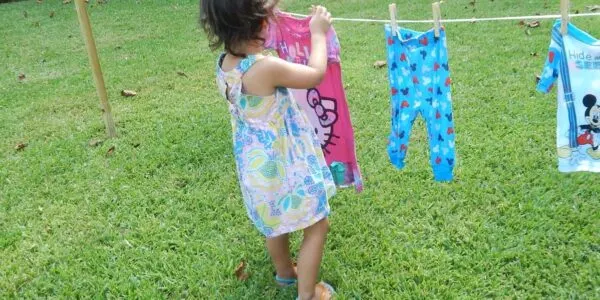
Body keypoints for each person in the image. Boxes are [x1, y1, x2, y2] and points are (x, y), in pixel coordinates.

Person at [200, 1, 336, 299]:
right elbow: (314, 74)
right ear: (260, 24)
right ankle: (308, 295)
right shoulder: (266, 68)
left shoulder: (226, 64)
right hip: (286, 166)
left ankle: (286, 273)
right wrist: (317, 33)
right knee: (317, 225)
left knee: (275, 223)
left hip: (259, 170)